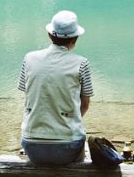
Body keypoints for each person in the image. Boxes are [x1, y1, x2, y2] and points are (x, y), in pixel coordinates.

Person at [18, 10, 94, 165]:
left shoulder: (29, 59)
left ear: (50, 35)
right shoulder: (81, 63)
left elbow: (29, 94)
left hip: (32, 145)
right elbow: (85, 105)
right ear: (75, 38)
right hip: (67, 146)